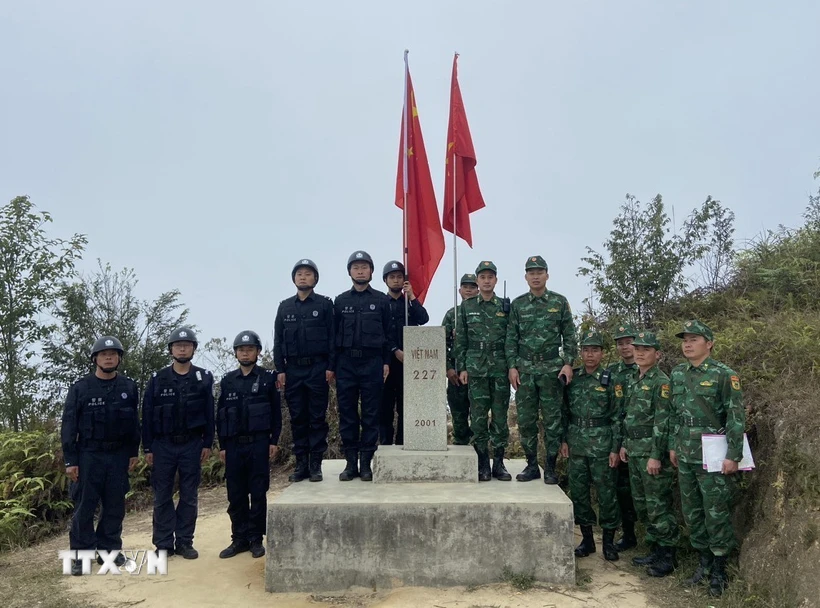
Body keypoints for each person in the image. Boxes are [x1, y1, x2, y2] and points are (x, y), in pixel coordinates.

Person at [670, 319, 745, 598]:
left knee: (715, 511)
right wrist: (672, 446)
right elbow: (673, 415)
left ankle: (719, 569)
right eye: (684, 340)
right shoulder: (678, 374)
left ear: (709, 344)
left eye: (694, 339)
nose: (687, 344)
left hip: (713, 455)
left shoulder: (724, 374)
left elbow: (736, 416)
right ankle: (703, 561)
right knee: (692, 512)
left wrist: (733, 455)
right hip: (686, 454)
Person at [61, 336, 140, 576]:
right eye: (104, 354)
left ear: (119, 359)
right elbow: (68, 425)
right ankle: (80, 556)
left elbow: (133, 424)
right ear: (95, 358)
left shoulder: (128, 387)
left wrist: (133, 452)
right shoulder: (81, 388)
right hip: (89, 456)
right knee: (85, 507)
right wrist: (70, 460)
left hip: (117, 456)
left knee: (115, 506)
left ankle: (109, 551)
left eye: (113, 354)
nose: (108, 357)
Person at [142, 327, 214, 559]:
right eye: (177, 345)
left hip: (192, 444)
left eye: (187, 344)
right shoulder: (157, 379)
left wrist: (207, 443)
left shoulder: (203, 377)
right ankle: (163, 544)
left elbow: (210, 413)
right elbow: (147, 414)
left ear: (193, 348)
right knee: (162, 495)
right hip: (163, 445)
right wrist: (148, 447)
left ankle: (184, 541)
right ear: (171, 349)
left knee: (189, 495)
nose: (182, 348)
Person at [505, 255, 577, 484]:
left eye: (539, 272)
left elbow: (570, 336)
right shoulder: (518, 304)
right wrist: (512, 366)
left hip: (551, 370)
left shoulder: (559, 302)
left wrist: (568, 363)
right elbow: (511, 339)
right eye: (531, 272)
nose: (535, 276)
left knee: (553, 421)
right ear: (526, 277)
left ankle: (551, 467)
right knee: (526, 421)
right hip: (525, 370)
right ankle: (531, 465)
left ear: (547, 274)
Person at [216, 330, 281, 559]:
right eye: (241, 350)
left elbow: (275, 413)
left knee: (258, 492)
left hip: (259, 443)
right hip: (234, 445)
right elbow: (220, 414)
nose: (245, 353)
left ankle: (255, 538)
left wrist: (274, 440)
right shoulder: (227, 381)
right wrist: (222, 445)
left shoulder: (267, 378)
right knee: (236, 494)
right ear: (236, 353)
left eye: (250, 349)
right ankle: (239, 538)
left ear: (258, 352)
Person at [619, 331, 679, 576]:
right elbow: (629, 416)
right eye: (638, 348)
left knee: (658, 505)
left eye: (646, 349)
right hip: (634, 450)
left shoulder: (661, 382)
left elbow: (662, 421)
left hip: (651, 453)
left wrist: (656, 455)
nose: (640, 353)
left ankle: (668, 556)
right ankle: (655, 549)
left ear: (658, 354)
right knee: (642, 504)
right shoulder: (634, 378)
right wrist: (624, 443)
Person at [274, 259, 335, 482]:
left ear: (315, 279)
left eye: (308, 274)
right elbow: (278, 340)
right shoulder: (285, 307)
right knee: (298, 417)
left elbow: (332, 338)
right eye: (299, 273)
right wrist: (280, 369)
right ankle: (301, 464)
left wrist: (330, 366)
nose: (303, 277)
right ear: (293, 279)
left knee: (317, 418)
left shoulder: (324, 305)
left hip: (318, 368)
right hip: (293, 370)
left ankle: (316, 464)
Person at [333, 250, 393, 482]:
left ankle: (366, 463)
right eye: (356, 267)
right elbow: (333, 336)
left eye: (364, 267)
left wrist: (386, 362)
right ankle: (350, 463)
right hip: (346, 363)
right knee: (348, 414)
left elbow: (388, 335)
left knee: (371, 414)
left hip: (372, 363)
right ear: (349, 272)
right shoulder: (340, 301)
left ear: (371, 272)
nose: (360, 270)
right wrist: (334, 365)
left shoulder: (381, 300)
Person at [565, 331, 621, 562]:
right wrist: (563, 440)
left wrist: (615, 448)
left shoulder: (609, 379)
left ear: (602, 353)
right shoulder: (573, 378)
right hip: (577, 443)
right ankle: (587, 540)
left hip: (602, 444)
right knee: (579, 493)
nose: (590, 354)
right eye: (586, 350)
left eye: (595, 350)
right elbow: (564, 412)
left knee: (607, 493)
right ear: (581, 353)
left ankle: (608, 541)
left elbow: (618, 416)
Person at [455, 260, 511, 482]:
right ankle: (482, 464)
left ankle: (498, 463)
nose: (487, 281)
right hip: (476, 369)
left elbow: (511, 339)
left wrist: (511, 366)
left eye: (490, 277)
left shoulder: (506, 306)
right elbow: (461, 340)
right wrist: (463, 368)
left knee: (499, 418)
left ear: (495, 280)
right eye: (483, 277)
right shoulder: (467, 307)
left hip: (499, 369)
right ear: (477, 281)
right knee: (478, 418)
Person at [380, 259, 429, 445]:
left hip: (407, 364)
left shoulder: (408, 303)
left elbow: (423, 319)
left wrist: (413, 297)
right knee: (384, 406)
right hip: (386, 362)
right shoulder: (379, 302)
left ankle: (403, 443)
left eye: (399, 277)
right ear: (385, 280)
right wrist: (394, 350)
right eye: (392, 277)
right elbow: (380, 332)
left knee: (405, 406)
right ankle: (384, 444)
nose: (396, 280)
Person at [608, 324, 640, 550]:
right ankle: (628, 535)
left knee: (644, 492)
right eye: (620, 343)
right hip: (617, 438)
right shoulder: (611, 372)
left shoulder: (645, 369)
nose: (625, 347)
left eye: (629, 342)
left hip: (642, 440)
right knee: (622, 489)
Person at [442, 273, 478, 445]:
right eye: (466, 287)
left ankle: (482, 459)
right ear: (460, 290)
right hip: (456, 374)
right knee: (459, 416)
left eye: (472, 287)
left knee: (479, 418)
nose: (469, 290)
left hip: (480, 373)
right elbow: (441, 343)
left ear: (478, 289)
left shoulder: (483, 313)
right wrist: (448, 368)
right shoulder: (452, 315)